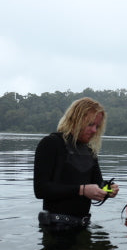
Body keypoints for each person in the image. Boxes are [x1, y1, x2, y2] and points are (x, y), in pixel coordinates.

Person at [33, 97, 119, 232]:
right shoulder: (51, 143)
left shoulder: (90, 151)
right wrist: (82, 190)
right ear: (76, 120)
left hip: (83, 227)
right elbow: (41, 189)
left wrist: (108, 189)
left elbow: (97, 184)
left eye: (97, 126)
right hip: (55, 228)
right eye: (90, 124)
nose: (94, 130)